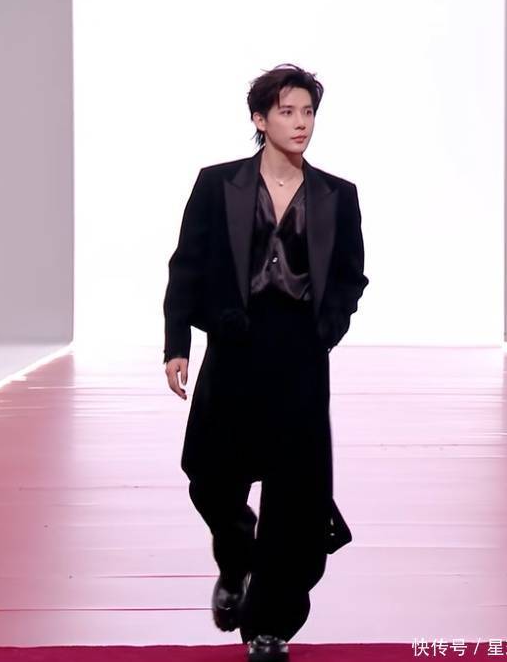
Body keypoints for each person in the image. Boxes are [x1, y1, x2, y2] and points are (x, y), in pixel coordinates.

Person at [163, 63, 369, 662]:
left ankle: (269, 625)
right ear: (259, 119)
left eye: (308, 112)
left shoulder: (337, 195)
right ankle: (236, 556)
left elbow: (351, 275)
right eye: (287, 112)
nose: (301, 123)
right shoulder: (217, 184)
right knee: (210, 476)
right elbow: (186, 264)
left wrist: (329, 327)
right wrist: (178, 343)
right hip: (235, 346)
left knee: (295, 494)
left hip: (300, 354)